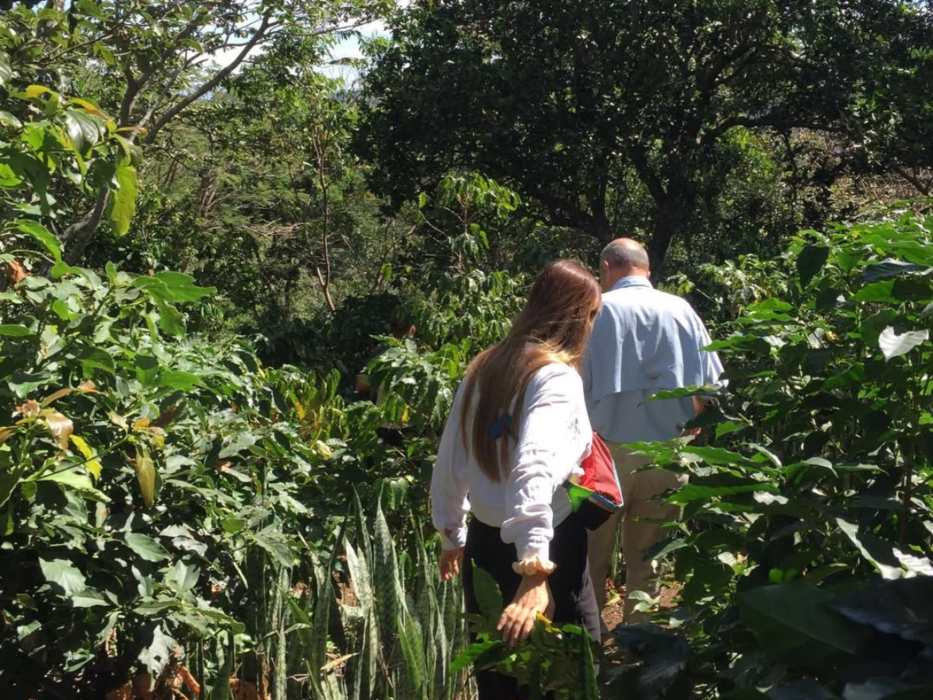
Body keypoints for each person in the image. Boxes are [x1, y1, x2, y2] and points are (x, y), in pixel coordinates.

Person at [430, 260, 602, 698]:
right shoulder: (555, 377)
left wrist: (452, 533)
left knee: (500, 679)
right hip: (547, 547)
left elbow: (451, 457)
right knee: (571, 674)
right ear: (580, 316)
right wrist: (534, 571)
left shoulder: (485, 366)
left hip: (486, 549)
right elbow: (535, 468)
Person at [583, 238, 724, 624]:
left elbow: (573, 386)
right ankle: (638, 647)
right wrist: (691, 431)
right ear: (646, 269)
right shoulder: (682, 310)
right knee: (650, 559)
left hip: (601, 456)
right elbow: (711, 388)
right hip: (667, 450)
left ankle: (587, 650)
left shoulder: (595, 312)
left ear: (608, 267)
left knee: (589, 560)